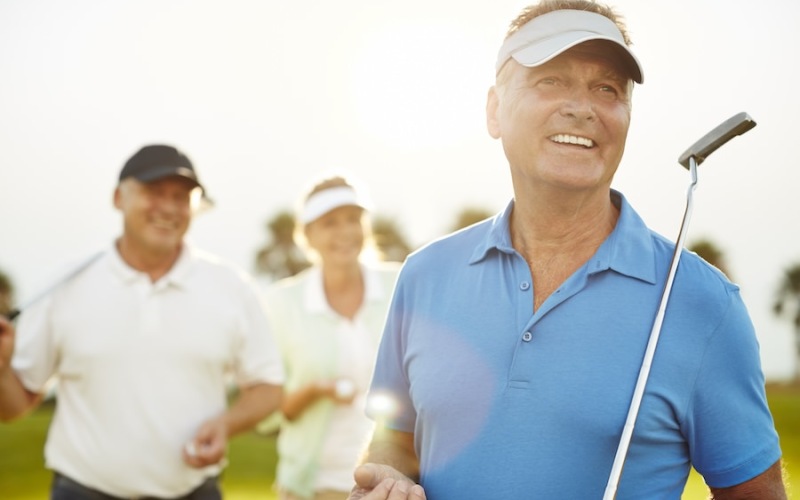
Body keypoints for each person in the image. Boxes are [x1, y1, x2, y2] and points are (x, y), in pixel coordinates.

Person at [348, 1, 786, 499]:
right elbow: (395, 439)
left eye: (607, 89)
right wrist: (387, 479)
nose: (583, 107)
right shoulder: (425, 276)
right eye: (550, 80)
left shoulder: (702, 303)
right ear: (495, 109)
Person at [0, 144, 284, 499]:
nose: (168, 207)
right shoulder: (65, 286)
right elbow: (14, 406)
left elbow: (268, 387)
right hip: (83, 490)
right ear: (119, 197)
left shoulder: (232, 287)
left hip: (195, 491)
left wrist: (226, 425)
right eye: (154, 192)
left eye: (181, 197)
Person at [264, 175, 400, 500]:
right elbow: (267, 410)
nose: (345, 232)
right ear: (307, 234)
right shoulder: (281, 303)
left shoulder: (401, 283)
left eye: (354, 219)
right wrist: (314, 391)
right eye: (330, 223)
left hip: (392, 482)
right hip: (312, 485)